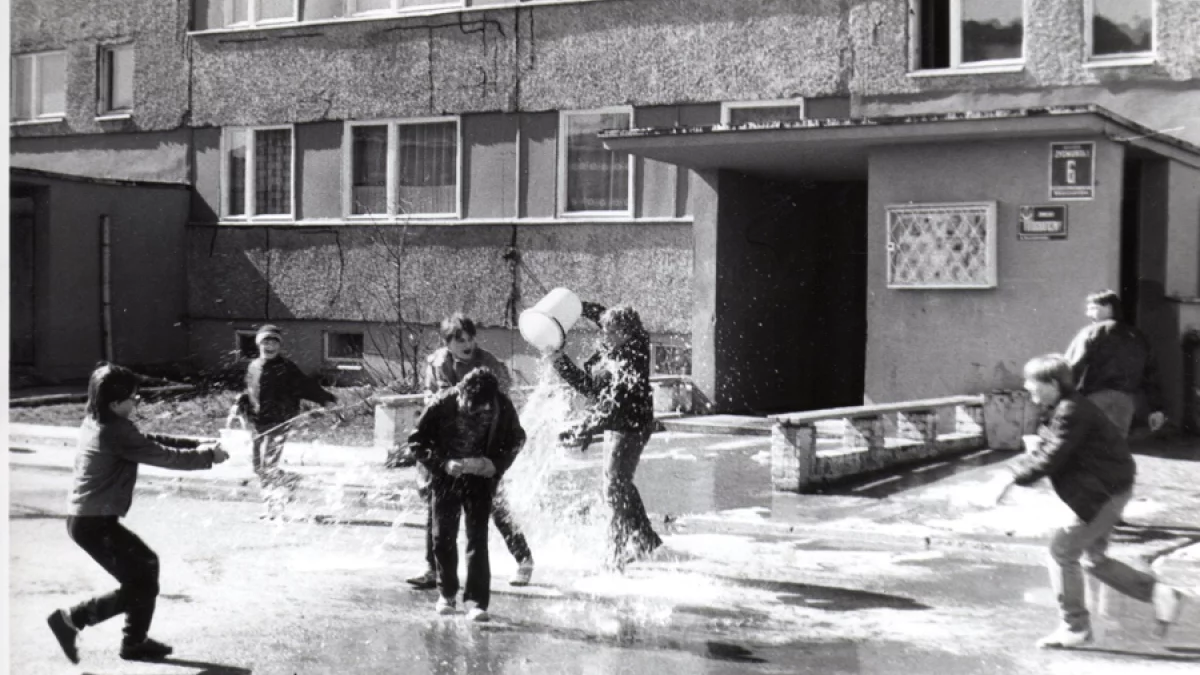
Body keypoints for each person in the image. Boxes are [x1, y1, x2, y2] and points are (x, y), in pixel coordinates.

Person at [988, 355, 1188, 649]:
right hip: (1109, 489)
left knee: (1062, 551)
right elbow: (1046, 448)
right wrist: (1011, 473)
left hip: (1103, 494)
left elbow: (1052, 456)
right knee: (1091, 559)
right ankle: (1160, 594)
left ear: (1052, 384)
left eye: (1033, 381)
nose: (1027, 386)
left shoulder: (1071, 411)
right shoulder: (1064, 408)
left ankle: (1075, 627)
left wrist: (1011, 479)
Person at [46, 363, 231, 664]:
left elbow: (147, 440)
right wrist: (209, 456)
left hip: (88, 520)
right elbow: (163, 456)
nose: (137, 402)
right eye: (134, 398)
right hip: (93, 524)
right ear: (116, 403)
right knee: (141, 580)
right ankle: (74, 620)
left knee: (144, 570)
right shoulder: (114, 433)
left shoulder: (99, 419)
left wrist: (196, 444)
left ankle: (134, 641)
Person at [406, 313, 534, 590]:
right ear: (447, 342)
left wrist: (493, 459)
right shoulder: (437, 363)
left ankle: (524, 558)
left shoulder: (488, 364)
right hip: (448, 447)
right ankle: (432, 568)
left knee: (494, 505)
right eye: (459, 339)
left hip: (481, 445)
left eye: (470, 338)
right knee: (436, 505)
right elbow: (431, 402)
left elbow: (503, 405)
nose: (467, 344)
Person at [408, 368, 526, 622]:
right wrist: (442, 464)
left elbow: (518, 438)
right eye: (470, 408)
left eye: (482, 410)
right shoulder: (441, 403)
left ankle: (476, 601)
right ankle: (447, 593)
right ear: (460, 392)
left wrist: (495, 464)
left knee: (477, 539)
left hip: (480, 479)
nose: (476, 413)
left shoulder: (501, 405)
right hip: (445, 477)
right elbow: (417, 442)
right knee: (443, 537)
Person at [552, 301, 662, 570]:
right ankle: (645, 538)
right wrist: (575, 307)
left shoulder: (632, 356)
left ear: (624, 332)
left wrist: (585, 428)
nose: (603, 336)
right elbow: (590, 388)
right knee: (618, 483)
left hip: (631, 426)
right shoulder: (613, 350)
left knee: (615, 488)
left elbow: (615, 403)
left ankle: (616, 552)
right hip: (617, 424)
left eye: (608, 332)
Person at [227, 324, 337, 516]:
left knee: (268, 465)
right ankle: (289, 482)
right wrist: (241, 401)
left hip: (279, 421)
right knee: (258, 467)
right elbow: (252, 391)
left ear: (279, 346)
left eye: (274, 342)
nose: (269, 346)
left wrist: (326, 399)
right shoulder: (253, 367)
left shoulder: (286, 368)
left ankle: (273, 507)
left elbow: (305, 385)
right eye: (265, 342)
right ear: (258, 344)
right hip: (257, 423)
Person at [1064, 290, 1166, 437]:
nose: (1088, 313)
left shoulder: (1090, 332)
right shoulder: (1137, 336)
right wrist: (1157, 408)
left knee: (1088, 445)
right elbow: (1150, 373)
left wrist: (1063, 397)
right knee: (1114, 448)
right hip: (1126, 401)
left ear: (1108, 307)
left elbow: (1073, 366)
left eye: (1093, 308)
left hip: (1094, 397)